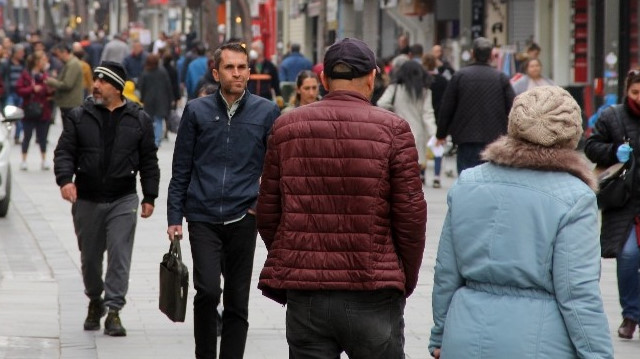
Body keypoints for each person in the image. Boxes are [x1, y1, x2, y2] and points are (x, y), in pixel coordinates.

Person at [256, 37, 427, 358]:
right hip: (373, 289)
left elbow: (267, 212)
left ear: (322, 80)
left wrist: (295, 255)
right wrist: (404, 277)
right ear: (373, 77)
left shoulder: (286, 127)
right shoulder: (394, 130)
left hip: (307, 295)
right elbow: (411, 218)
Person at [429, 86, 614, 358]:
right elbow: (577, 293)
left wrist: (440, 334)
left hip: (463, 333)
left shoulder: (468, 182)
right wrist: (598, 354)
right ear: (570, 134)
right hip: (539, 341)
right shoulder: (575, 198)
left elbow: (446, 272)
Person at [167, 42, 280, 358]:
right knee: (206, 292)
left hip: (244, 217)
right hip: (202, 215)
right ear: (216, 72)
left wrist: (259, 207)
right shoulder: (196, 111)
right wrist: (174, 216)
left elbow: (276, 168)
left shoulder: (266, 112)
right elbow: (181, 169)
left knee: (237, 299)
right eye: (230, 67)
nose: (237, 73)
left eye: (242, 67)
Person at [53, 61, 159, 337]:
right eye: (96, 80)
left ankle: (113, 311)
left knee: (119, 256)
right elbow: (64, 152)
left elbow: (149, 160)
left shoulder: (139, 119)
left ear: (117, 88)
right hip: (86, 198)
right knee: (90, 258)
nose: (96, 85)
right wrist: (65, 180)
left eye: (103, 81)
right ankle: (95, 299)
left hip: (123, 199)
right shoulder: (79, 116)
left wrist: (150, 196)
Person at [584, 68, 640, 341]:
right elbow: (590, 146)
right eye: (635, 92)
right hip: (623, 200)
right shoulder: (612, 116)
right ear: (627, 91)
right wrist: (613, 152)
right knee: (628, 256)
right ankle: (631, 315)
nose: (639, 98)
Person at [435, 37, 515, 175]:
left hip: (466, 138)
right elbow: (513, 108)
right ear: (491, 55)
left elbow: (447, 107)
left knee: (467, 179)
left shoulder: (460, 76)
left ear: (472, 54)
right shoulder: (501, 77)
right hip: (495, 138)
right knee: (491, 180)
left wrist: (441, 134)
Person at [377, 60, 435, 184]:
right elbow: (427, 114)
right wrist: (434, 134)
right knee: (413, 172)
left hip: (397, 132)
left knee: (397, 167)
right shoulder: (425, 92)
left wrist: (392, 111)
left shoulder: (395, 88)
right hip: (417, 135)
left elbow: (381, 103)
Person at [15, 50, 54, 171]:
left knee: (43, 137)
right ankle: (24, 160)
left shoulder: (46, 75)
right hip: (29, 109)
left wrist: (44, 88)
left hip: (43, 110)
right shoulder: (26, 75)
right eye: (43, 60)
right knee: (27, 136)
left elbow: (50, 90)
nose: (45, 62)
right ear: (37, 62)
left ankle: (44, 160)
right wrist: (32, 89)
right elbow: (19, 89)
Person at [423, 53, 449, 188]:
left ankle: (421, 173)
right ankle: (437, 176)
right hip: (439, 117)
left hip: (424, 116)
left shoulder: (421, 80)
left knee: (422, 145)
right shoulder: (443, 80)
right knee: (438, 147)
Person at [138, 53, 173, 147]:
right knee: (159, 120)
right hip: (161, 99)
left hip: (148, 99)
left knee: (149, 120)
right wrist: (171, 98)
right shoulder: (162, 71)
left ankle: (150, 138)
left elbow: (141, 86)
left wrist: (142, 98)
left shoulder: (145, 72)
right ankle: (157, 140)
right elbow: (168, 85)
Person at [45, 43, 84, 123]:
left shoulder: (73, 64)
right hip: (67, 103)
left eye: (58, 54)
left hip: (70, 104)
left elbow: (67, 84)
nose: (58, 58)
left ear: (65, 52)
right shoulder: (68, 64)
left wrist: (52, 82)